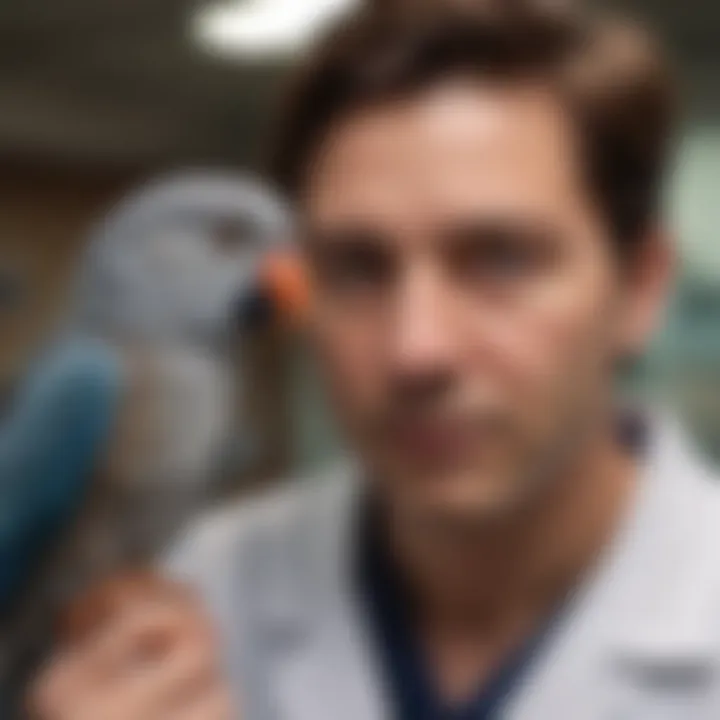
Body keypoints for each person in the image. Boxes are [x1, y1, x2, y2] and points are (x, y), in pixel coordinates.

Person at [30, 1, 720, 718]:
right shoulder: (199, 582)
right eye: (355, 267)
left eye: (502, 259)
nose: (415, 349)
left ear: (641, 287)